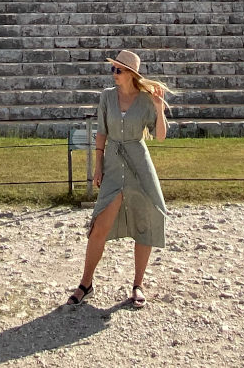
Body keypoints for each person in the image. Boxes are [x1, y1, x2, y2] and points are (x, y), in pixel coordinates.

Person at [66, 49, 169, 309]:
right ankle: (85, 283)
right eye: (113, 69)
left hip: (139, 164)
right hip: (112, 162)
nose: (114, 74)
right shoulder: (107, 97)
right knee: (99, 225)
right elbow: (101, 132)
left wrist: (159, 108)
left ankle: (138, 285)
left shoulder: (147, 100)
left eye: (118, 70)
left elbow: (160, 137)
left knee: (144, 222)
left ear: (131, 74)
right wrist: (98, 165)